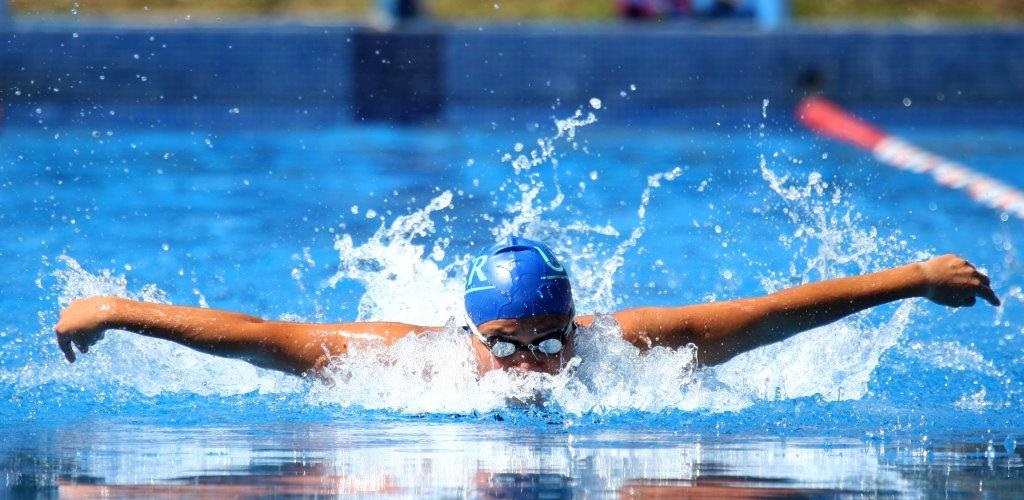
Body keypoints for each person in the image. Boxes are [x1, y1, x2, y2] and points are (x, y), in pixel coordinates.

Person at [55, 236, 999, 378]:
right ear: (470, 334)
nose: (540, 368)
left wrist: (908, 279)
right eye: (509, 349)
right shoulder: (406, 365)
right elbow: (260, 340)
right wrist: (111, 307)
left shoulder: (620, 349)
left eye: (553, 340)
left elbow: (776, 311)